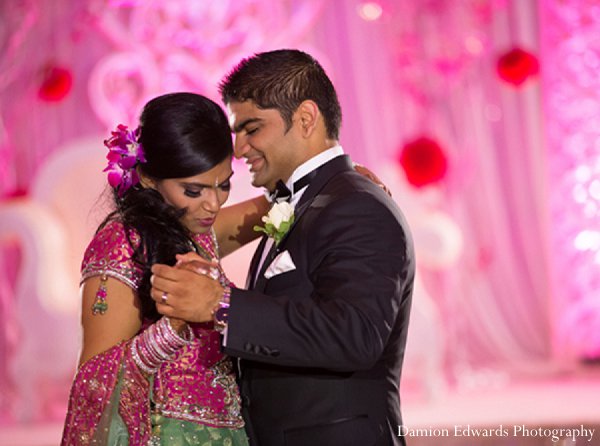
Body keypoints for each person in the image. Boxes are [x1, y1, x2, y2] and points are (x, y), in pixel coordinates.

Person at [150, 49, 415, 446]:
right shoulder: (299, 203)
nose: (239, 150)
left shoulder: (356, 206)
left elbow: (354, 334)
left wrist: (222, 306)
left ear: (305, 118)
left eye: (252, 129)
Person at [60, 92, 271, 445]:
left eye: (224, 185)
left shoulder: (193, 229)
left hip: (228, 434)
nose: (214, 203)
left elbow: (265, 211)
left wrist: (336, 183)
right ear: (147, 178)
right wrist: (172, 328)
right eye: (194, 190)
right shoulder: (122, 245)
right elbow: (94, 383)